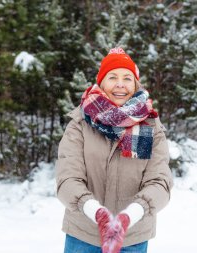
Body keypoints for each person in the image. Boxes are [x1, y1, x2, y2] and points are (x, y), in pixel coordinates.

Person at [55, 47, 173, 253]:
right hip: (83, 234)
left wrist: (130, 215)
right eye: (112, 77)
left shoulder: (151, 126)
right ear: (101, 82)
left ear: (135, 84)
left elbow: (159, 182)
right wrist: (97, 213)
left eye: (127, 78)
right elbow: (67, 179)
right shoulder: (80, 124)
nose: (120, 84)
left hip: (132, 237)